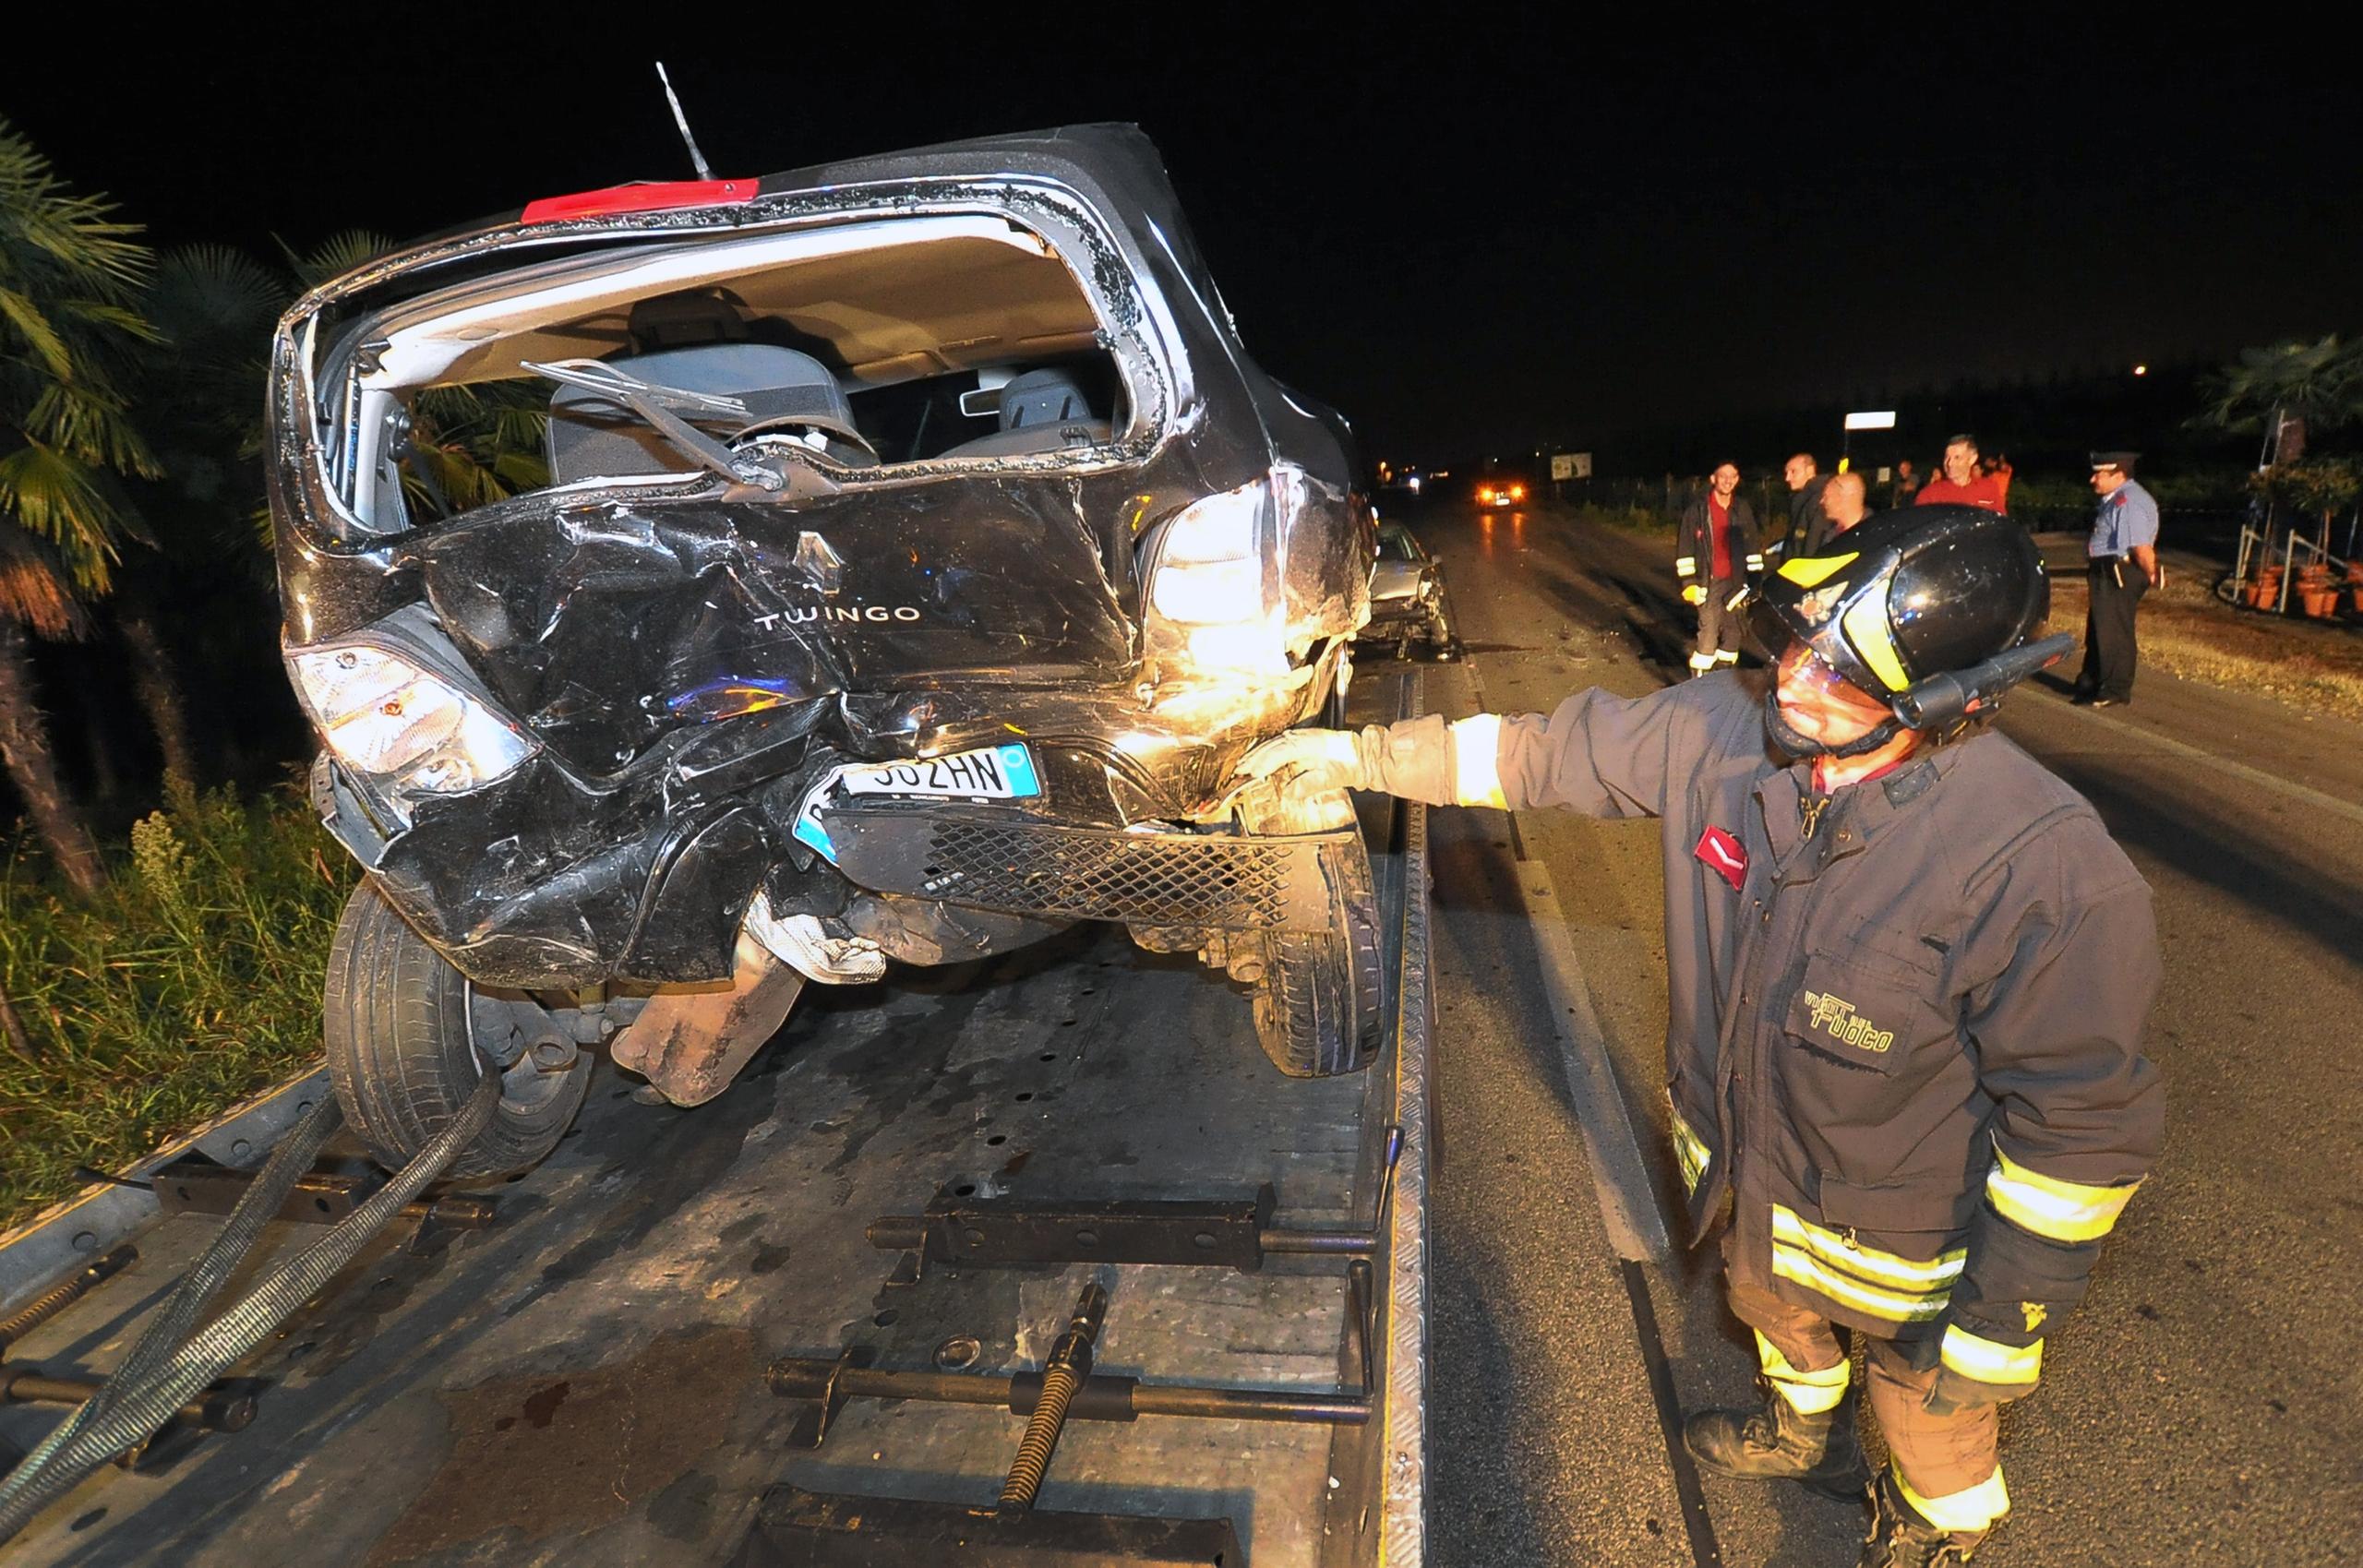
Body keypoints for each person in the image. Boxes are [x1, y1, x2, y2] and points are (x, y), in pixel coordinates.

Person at [1237, 506, 2162, 1567]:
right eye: (1798, 648)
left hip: (1916, 1250)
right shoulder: (1724, 730)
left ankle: (1928, 1526)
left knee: (1933, 1426)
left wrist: (1996, 1327)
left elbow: (2079, 1138)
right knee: (1776, 1319)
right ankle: (1798, 1429)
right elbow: (1538, 754)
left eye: (1842, 678)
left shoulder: (2039, 867)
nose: (1795, 687)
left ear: (1948, 702)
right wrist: (1354, 755)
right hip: (1750, 1186)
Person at [2074, 451, 2161, 708]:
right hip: (2106, 570)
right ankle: (2091, 682)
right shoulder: (2113, 499)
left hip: (2119, 571)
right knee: (2099, 629)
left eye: (2099, 474)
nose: (2093, 479)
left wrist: (2150, 574)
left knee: (2114, 631)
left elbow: (2141, 547)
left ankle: (2115, 688)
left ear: (2119, 475)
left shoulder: (2129, 502)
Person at [1677, 462, 1763, 676]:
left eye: (1733, 476)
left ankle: (1724, 680)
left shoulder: (1741, 509)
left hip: (1737, 583)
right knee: (1708, 634)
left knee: (1733, 634)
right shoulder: (1697, 511)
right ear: (1713, 479)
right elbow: (1685, 548)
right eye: (1723, 476)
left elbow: (1752, 544)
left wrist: (1755, 579)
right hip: (1709, 583)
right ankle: (1700, 686)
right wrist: (1689, 583)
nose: (1728, 480)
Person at [1913, 436, 2008, 512]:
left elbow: (2001, 524)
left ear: (1972, 459)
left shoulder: (1989, 488)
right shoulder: (1930, 494)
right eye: (1947, 457)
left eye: (1957, 457)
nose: (1949, 463)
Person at [1798, 471, 1871, 556]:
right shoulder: (1829, 534)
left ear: (1843, 498)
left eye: (1826, 496)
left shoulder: (1873, 537)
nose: (1821, 502)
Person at [1776, 452, 1829, 560]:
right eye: (1786, 473)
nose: (1787, 478)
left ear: (1809, 470)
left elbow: (1813, 542)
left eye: (1793, 472)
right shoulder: (1802, 499)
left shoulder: (1818, 500)